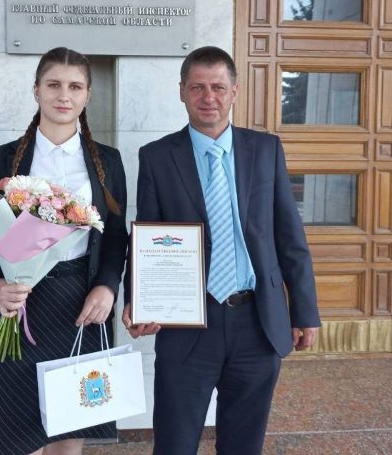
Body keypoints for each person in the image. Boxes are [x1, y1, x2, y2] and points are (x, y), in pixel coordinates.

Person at [122, 46, 320, 455]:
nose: (208, 97)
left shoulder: (265, 150)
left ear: (235, 91)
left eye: (217, 87)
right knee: (174, 445)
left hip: (257, 322)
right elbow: (146, 238)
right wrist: (138, 301)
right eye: (197, 87)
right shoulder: (157, 157)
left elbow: (289, 236)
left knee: (243, 445)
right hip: (187, 325)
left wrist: (304, 311)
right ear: (182, 91)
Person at [0, 47, 128, 455]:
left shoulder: (108, 161)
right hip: (21, 304)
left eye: (75, 86)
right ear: (37, 91)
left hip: (80, 304)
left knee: (68, 429)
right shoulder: (6, 158)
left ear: (87, 95)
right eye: (54, 85)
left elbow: (115, 236)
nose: (64, 95)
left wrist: (108, 287)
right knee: (13, 435)